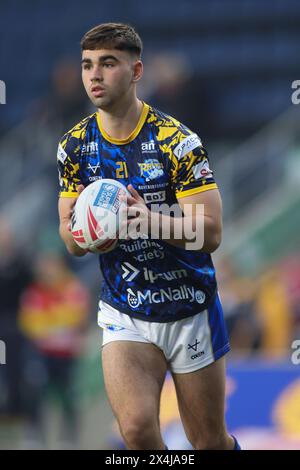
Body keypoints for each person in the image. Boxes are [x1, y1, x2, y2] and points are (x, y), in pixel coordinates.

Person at [57, 22, 241, 451]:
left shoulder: (178, 142)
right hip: (126, 309)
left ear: (136, 71)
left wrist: (145, 220)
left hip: (189, 308)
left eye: (108, 64)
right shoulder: (73, 147)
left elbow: (210, 233)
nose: (94, 76)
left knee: (208, 441)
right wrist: (88, 233)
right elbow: (68, 238)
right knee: (138, 430)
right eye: (87, 65)